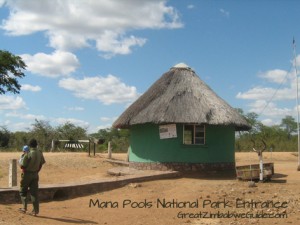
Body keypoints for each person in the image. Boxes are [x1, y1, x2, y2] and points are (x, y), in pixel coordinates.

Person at [19, 139, 46, 216]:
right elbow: (41, 164)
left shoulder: (28, 153)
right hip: (35, 174)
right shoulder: (40, 152)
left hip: (27, 174)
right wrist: (37, 171)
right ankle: (35, 211)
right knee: (34, 193)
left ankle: (24, 207)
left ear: (29, 145)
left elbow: (22, 166)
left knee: (23, 191)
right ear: (36, 144)